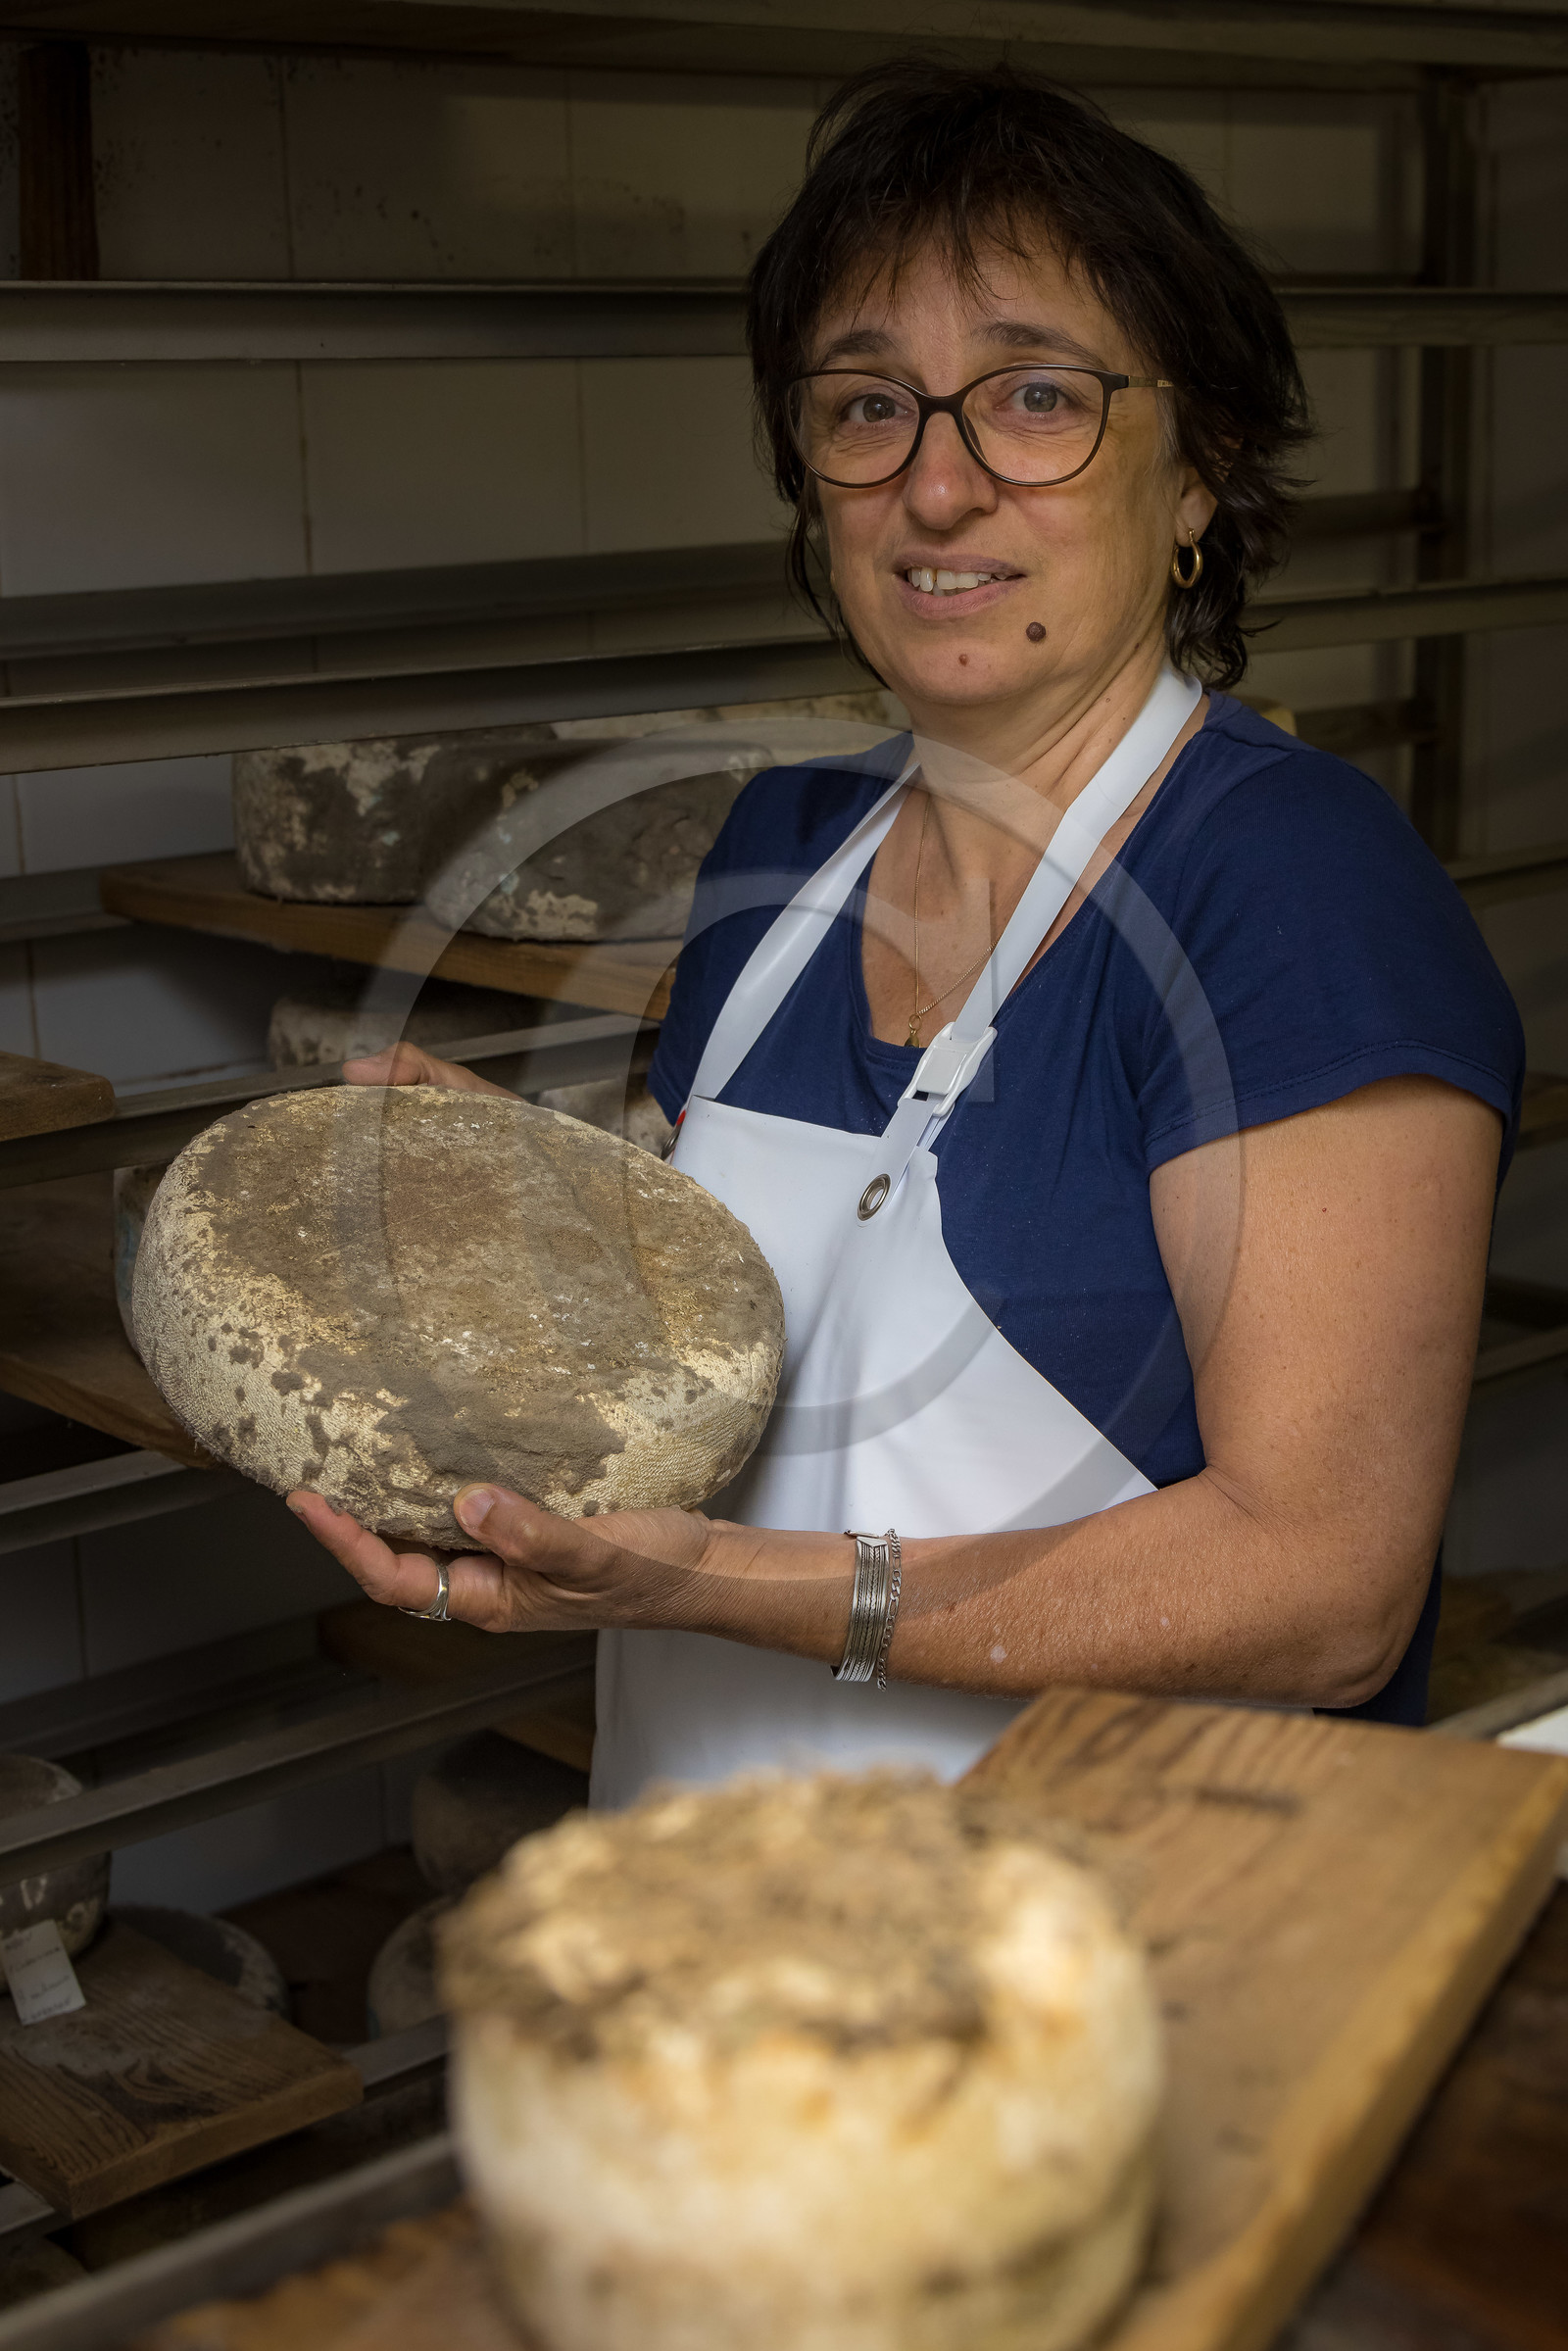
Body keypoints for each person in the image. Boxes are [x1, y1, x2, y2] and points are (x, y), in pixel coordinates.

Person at [290, 65, 1523, 1799]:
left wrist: (738, 1589)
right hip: (710, 1924)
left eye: (1035, 398)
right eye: (869, 409)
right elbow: (743, 1386)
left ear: (1199, 475)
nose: (937, 492)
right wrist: (545, 1232)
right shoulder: (779, 855)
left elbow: (1323, 1585)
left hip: (1113, 1983)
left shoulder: (1291, 887)